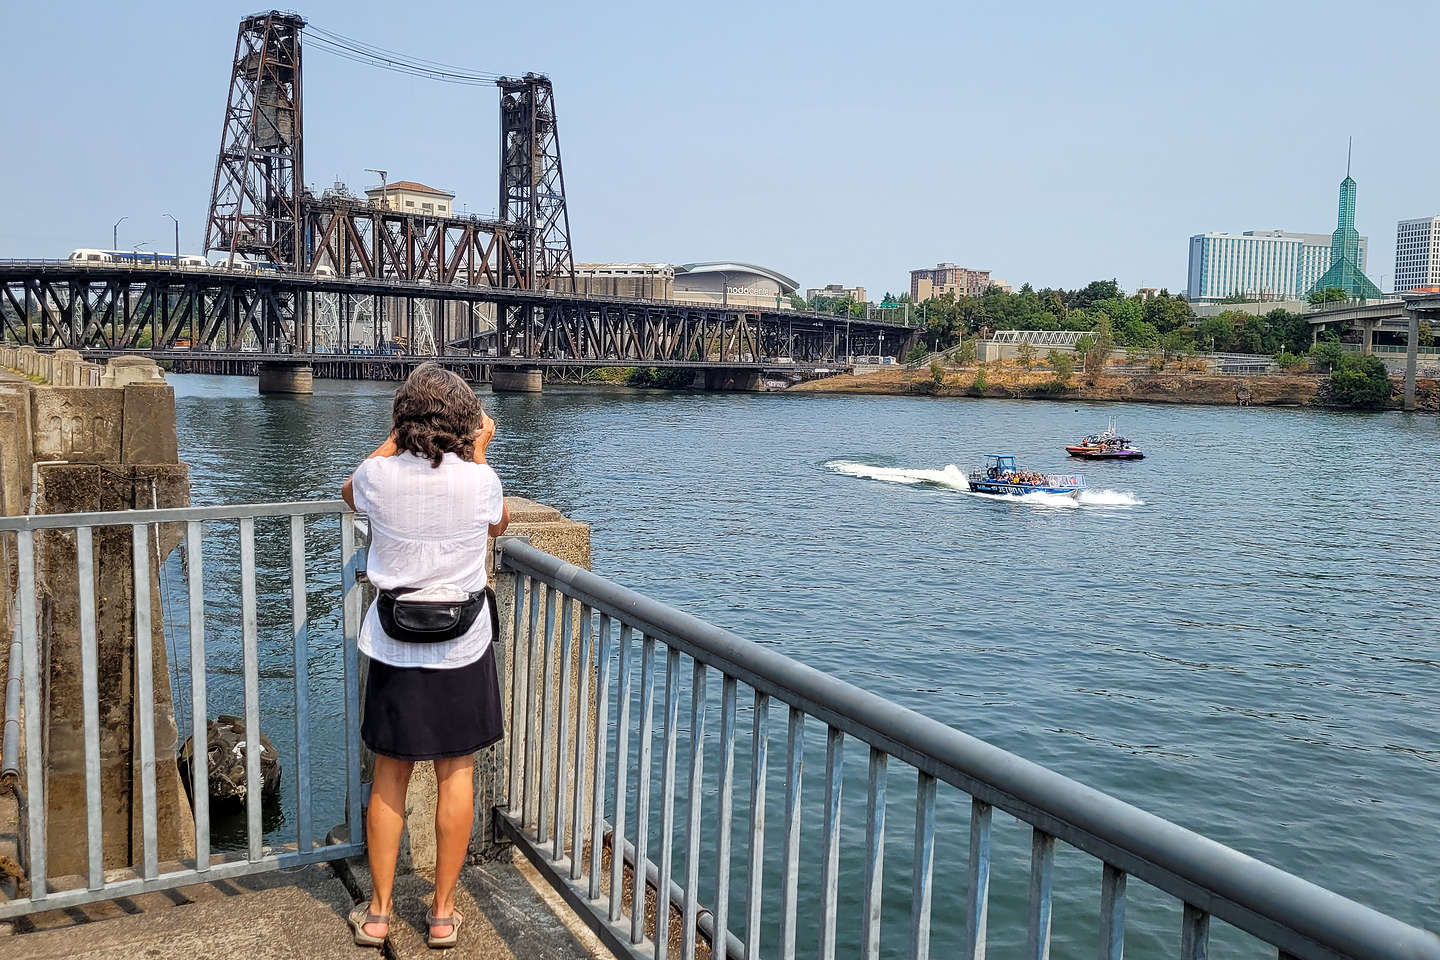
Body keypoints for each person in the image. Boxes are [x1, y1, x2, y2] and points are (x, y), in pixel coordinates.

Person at [341, 363, 511, 950]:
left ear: (403, 418)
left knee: (390, 774)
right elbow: (498, 525)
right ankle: (441, 913)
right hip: (462, 642)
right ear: (467, 422)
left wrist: (396, 436)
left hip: (394, 640)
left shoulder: (377, 475)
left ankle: (378, 914)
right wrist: (478, 451)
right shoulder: (479, 479)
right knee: (455, 772)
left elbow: (349, 491)